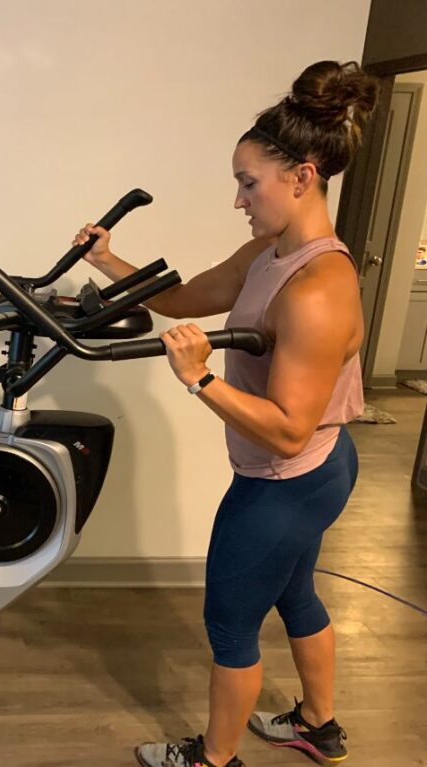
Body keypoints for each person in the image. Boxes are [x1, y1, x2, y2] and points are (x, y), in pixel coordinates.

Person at [73, 60, 380, 767]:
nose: (239, 199)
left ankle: (214, 760)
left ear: (301, 176)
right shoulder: (271, 251)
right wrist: (110, 263)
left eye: (249, 183)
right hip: (314, 468)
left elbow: (288, 425)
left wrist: (199, 378)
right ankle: (319, 724)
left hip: (288, 475)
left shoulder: (319, 288)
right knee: (297, 591)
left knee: (230, 623)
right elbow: (185, 298)